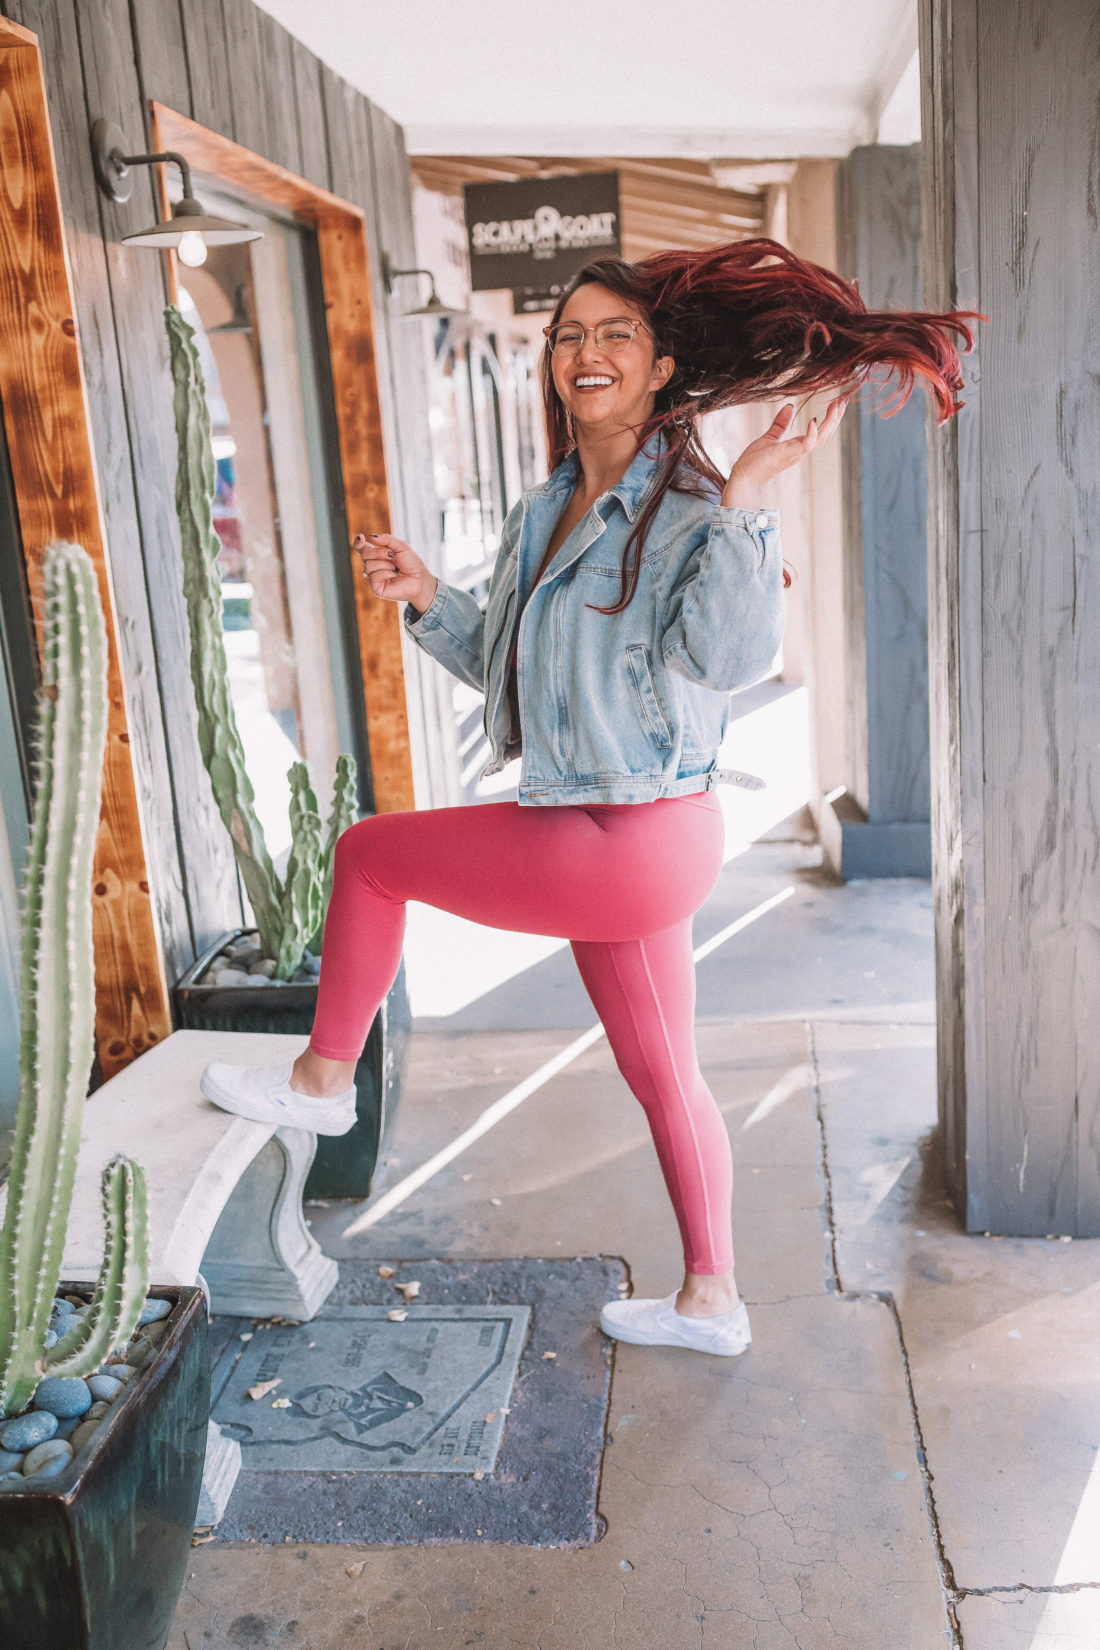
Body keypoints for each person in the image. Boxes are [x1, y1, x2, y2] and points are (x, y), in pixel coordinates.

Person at [201, 239, 980, 1356]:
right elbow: (515, 673)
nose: (585, 351)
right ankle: (711, 1299)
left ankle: (325, 1080)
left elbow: (724, 661)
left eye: (614, 333)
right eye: (569, 335)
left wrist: (750, 499)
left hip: (637, 832)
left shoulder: (692, 509)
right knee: (664, 1075)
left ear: (661, 367)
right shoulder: (544, 510)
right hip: (608, 832)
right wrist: (429, 599)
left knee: (372, 855)